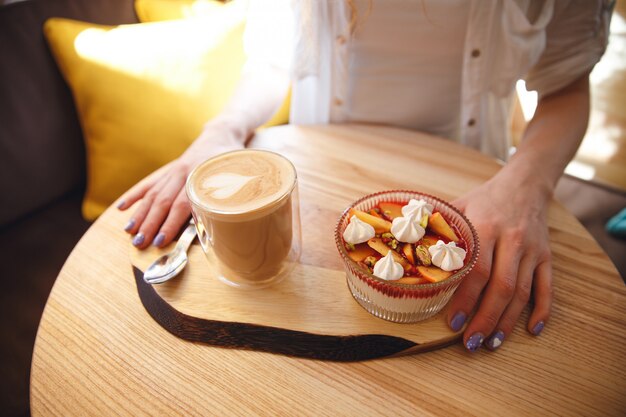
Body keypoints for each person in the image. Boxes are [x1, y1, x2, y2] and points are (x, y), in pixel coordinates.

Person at [117, 0, 612, 352]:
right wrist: (222, 130)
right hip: (318, 182)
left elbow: (566, 85)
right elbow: (273, 58)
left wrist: (526, 186)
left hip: (474, 196)